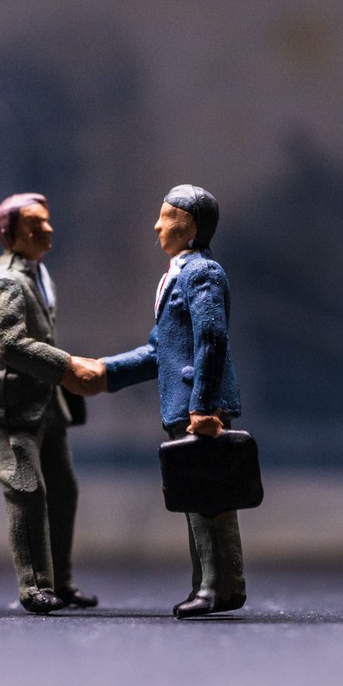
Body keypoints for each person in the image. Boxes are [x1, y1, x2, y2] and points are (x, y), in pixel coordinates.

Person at [98, 185, 246, 618]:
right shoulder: (175, 275)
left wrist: (203, 405)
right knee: (201, 497)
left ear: (192, 227)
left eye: (168, 217)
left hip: (198, 405)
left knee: (205, 498)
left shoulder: (203, 273)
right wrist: (106, 373)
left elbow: (212, 338)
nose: (157, 225)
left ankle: (214, 588)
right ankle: (218, 585)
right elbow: (159, 348)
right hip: (184, 402)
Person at [0, 192, 107, 614]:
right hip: (13, 405)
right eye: (35, 225)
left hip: (45, 402)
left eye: (47, 222)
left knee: (64, 491)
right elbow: (10, 344)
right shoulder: (6, 282)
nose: (47, 229)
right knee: (27, 491)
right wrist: (67, 366)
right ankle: (34, 586)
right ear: (11, 234)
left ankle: (61, 583)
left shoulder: (37, 274)